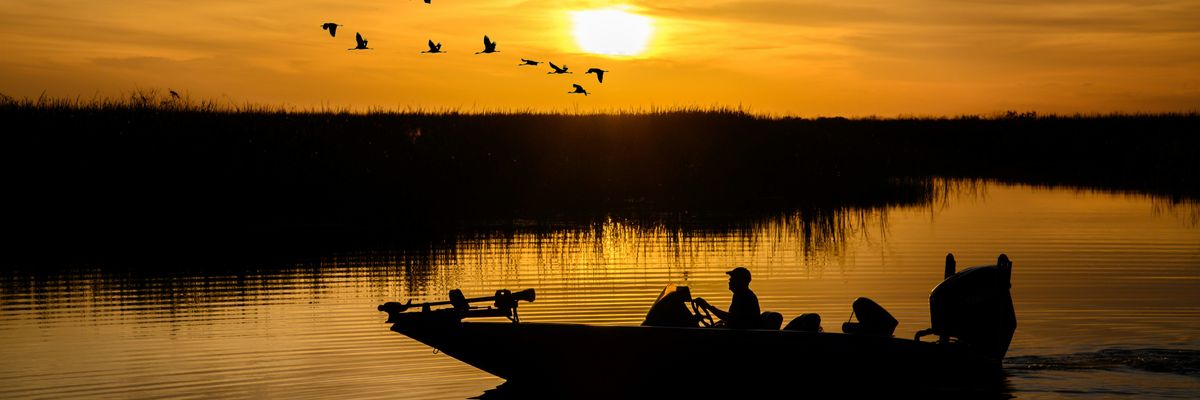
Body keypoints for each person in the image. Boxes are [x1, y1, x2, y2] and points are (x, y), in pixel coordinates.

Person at [694, 266, 761, 329]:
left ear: (739, 281)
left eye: (733, 278)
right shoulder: (740, 295)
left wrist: (708, 306)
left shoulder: (745, 297)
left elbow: (731, 318)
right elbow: (732, 318)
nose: (730, 280)